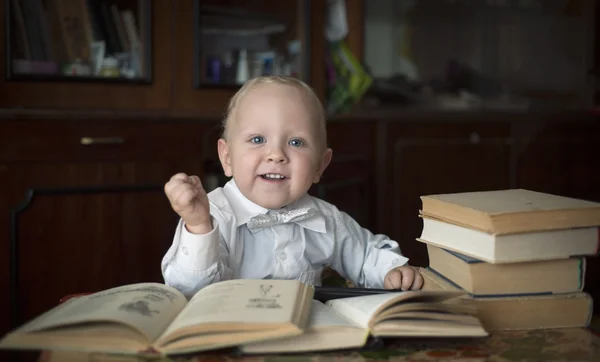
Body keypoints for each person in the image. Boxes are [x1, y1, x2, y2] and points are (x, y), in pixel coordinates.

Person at [161, 76, 423, 298]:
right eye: (257, 139)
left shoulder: (326, 219)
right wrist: (197, 226)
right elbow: (187, 292)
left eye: (296, 143)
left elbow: (366, 254)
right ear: (227, 157)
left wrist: (391, 271)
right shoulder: (212, 215)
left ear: (321, 165)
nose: (276, 154)